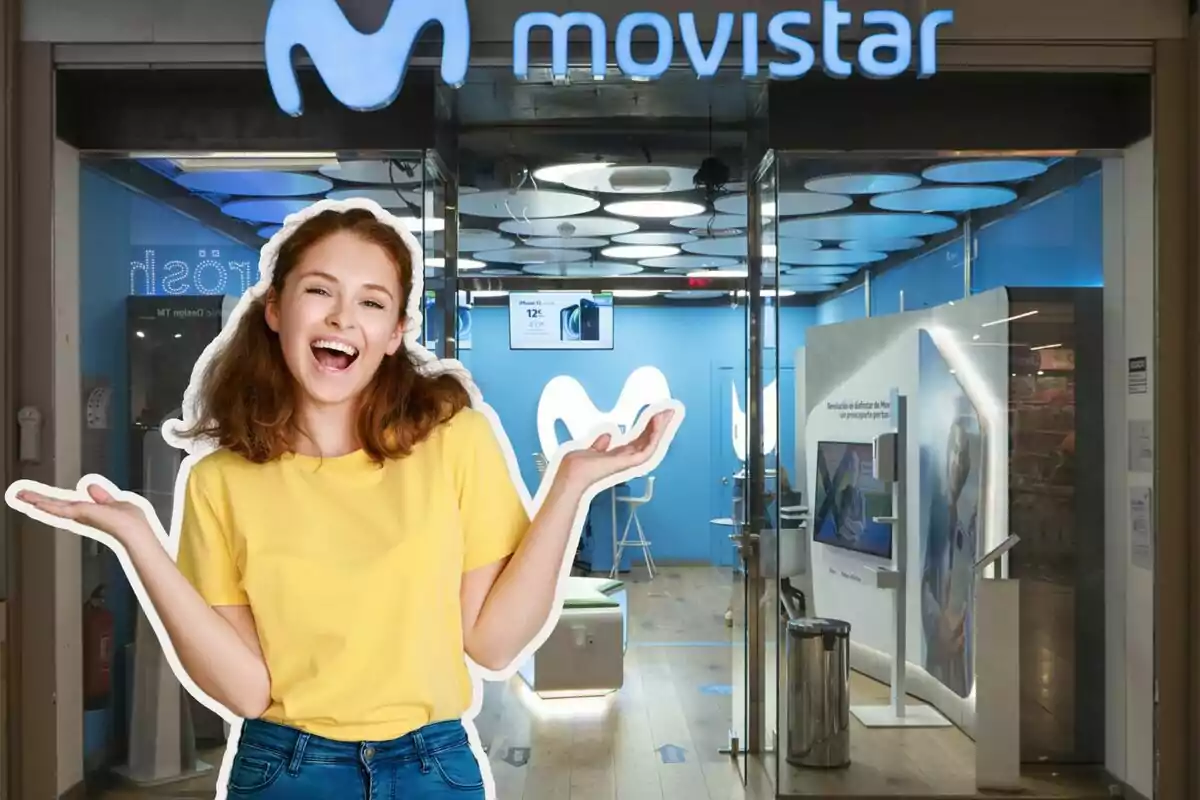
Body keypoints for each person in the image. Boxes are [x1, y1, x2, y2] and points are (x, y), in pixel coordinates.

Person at [8, 200, 679, 799]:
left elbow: (496, 644)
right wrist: (139, 542)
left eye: (371, 301)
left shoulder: (455, 443)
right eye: (319, 291)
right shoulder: (220, 482)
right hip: (283, 769)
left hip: (433, 768)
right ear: (275, 309)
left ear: (394, 333)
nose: (341, 317)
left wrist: (571, 486)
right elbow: (246, 690)